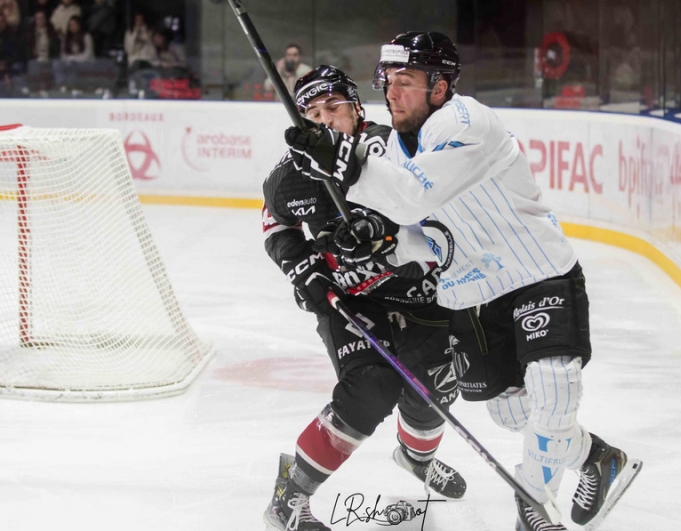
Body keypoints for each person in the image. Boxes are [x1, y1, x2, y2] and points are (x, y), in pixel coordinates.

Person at [284, 32, 643, 531]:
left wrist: (347, 162)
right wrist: (381, 242)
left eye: (406, 82)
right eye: (388, 82)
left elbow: (413, 198)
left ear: (440, 85)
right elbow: (430, 234)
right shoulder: (400, 143)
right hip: (471, 293)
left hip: (535, 272)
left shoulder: (465, 122)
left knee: (555, 392)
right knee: (514, 416)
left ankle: (534, 507)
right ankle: (596, 459)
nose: (392, 93)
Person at [262, 65, 466, 531]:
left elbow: (437, 206)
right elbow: (276, 224)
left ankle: (416, 458)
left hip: (418, 292)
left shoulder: (392, 150)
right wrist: (304, 270)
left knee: (432, 389)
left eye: (333, 108)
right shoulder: (289, 177)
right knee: (370, 388)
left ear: (356, 109)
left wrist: (386, 231)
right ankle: (288, 497)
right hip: (349, 300)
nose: (325, 120)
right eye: (313, 114)